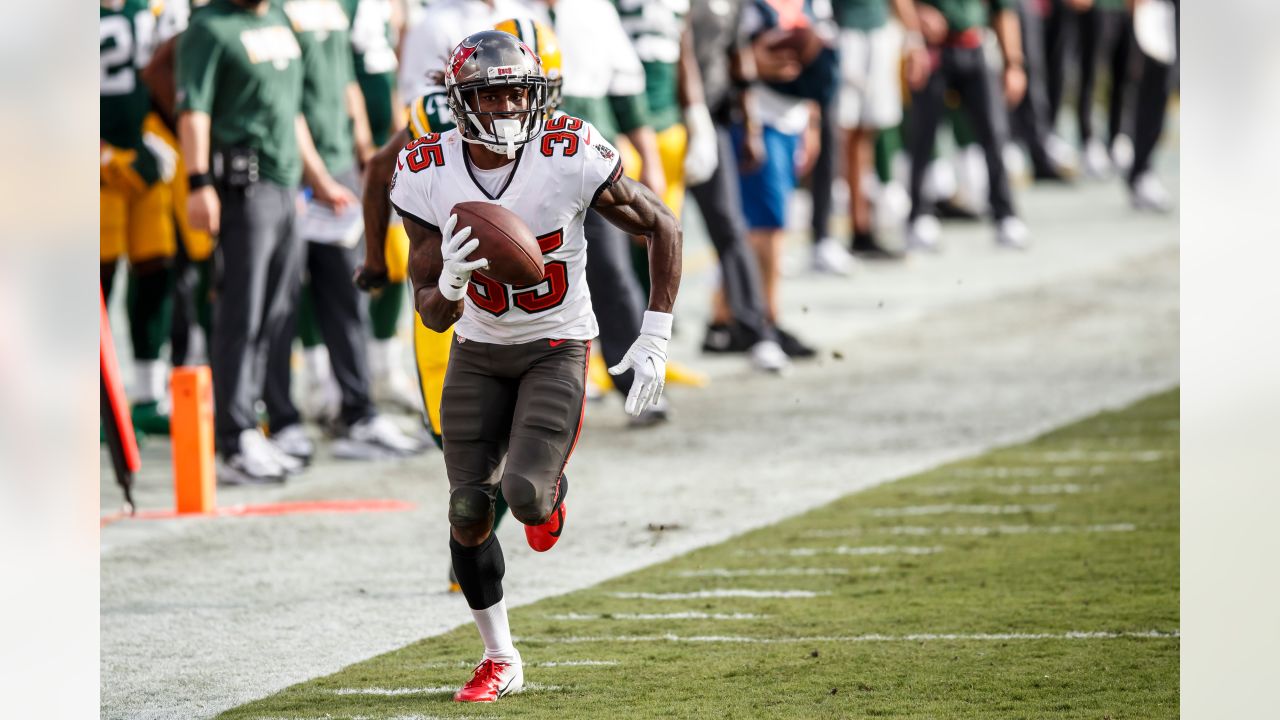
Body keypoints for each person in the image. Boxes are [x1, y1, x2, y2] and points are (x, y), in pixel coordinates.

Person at [389, 31, 681, 701]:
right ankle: (501, 657)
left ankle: (548, 499)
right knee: (467, 509)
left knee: (523, 497)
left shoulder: (569, 150)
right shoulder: (427, 167)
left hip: (556, 346)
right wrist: (454, 284)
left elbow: (662, 224)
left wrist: (655, 335)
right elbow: (433, 314)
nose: (509, 108)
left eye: (519, 93)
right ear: (461, 103)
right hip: (479, 351)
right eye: (491, 96)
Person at [176, 0, 354, 484]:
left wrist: (316, 177)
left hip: (285, 186)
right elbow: (194, 109)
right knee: (241, 313)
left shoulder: (276, 18)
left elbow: (290, 109)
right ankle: (233, 438)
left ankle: (255, 426)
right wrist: (198, 183)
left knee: (277, 313)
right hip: (243, 186)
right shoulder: (209, 27)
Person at [263, 0, 423, 463]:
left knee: (348, 296)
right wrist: (316, 176)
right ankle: (283, 419)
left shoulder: (332, 8)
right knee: (281, 302)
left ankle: (358, 412)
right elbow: (285, 100)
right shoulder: (273, 11)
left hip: (336, 164)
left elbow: (346, 78)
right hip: (294, 172)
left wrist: (362, 150)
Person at [685, 0, 791, 370]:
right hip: (659, 119)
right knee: (638, 233)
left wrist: (750, 123)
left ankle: (755, 329)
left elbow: (737, 55)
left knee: (729, 222)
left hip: (710, 118)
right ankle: (632, 340)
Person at [101, 0, 186, 437]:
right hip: (94, 173)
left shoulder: (151, 11)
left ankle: (148, 392)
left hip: (146, 167)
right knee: (95, 284)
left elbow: (168, 76)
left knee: (155, 274)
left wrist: (158, 135)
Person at [905, 0, 1029, 251]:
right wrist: (916, 17)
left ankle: (1005, 214)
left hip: (975, 46)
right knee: (923, 135)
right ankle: (918, 216)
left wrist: (1013, 63)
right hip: (932, 50)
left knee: (995, 133)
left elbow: (1004, 9)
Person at [831, 0, 928, 263]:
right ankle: (852, 227)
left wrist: (914, 38)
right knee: (845, 131)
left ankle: (863, 226)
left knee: (866, 133)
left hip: (877, 31)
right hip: (842, 31)